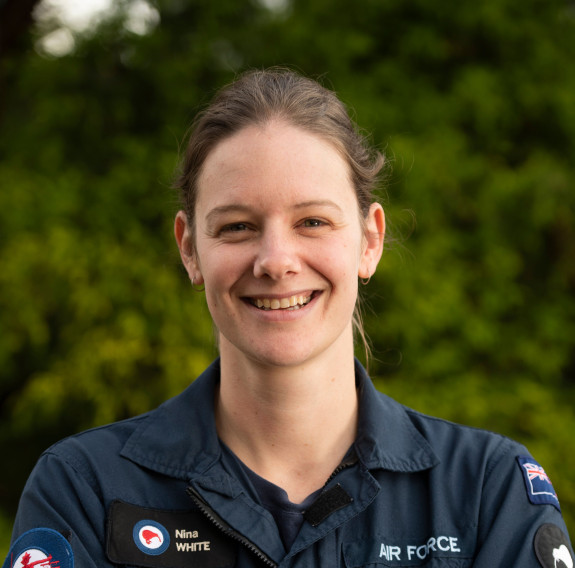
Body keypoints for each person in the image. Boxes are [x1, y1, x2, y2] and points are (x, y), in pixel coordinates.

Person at [3, 68, 573, 568]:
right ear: (189, 250)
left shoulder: (488, 491)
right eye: (237, 227)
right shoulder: (86, 488)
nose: (276, 261)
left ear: (370, 240)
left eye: (313, 222)